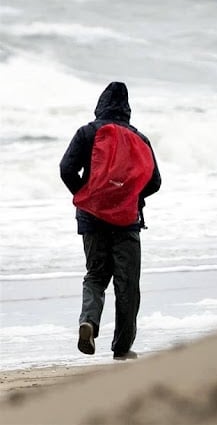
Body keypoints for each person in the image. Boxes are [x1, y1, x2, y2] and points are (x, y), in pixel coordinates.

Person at [60, 82, 161, 360]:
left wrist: (87, 195)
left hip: (91, 219)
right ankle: (122, 348)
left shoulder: (86, 132)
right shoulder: (139, 138)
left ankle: (89, 323)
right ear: (127, 109)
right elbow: (155, 181)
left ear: (100, 104)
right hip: (126, 221)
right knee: (127, 283)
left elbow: (66, 169)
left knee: (95, 275)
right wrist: (128, 197)